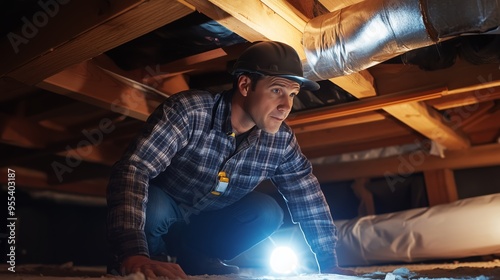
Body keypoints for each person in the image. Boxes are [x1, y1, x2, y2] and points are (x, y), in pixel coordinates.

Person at [106, 41, 353, 278]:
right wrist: (133, 253)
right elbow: (134, 169)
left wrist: (329, 262)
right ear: (245, 86)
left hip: (203, 225)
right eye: (277, 90)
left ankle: (197, 259)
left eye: (292, 94)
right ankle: (153, 257)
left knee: (266, 212)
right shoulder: (190, 111)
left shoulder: (281, 141)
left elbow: (306, 195)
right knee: (155, 206)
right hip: (161, 217)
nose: (286, 105)